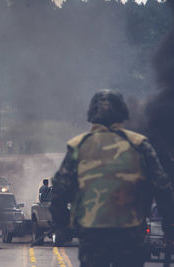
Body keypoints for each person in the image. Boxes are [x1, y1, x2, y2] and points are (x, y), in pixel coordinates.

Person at [51, 90, 174, 267]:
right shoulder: (139, 144)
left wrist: (62, 225)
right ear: (122, 114)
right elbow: (162, 188)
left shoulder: (79, 145)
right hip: (130, 233)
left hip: (91, 234)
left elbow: (59, 190)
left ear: (91, 114)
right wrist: (168, 228)